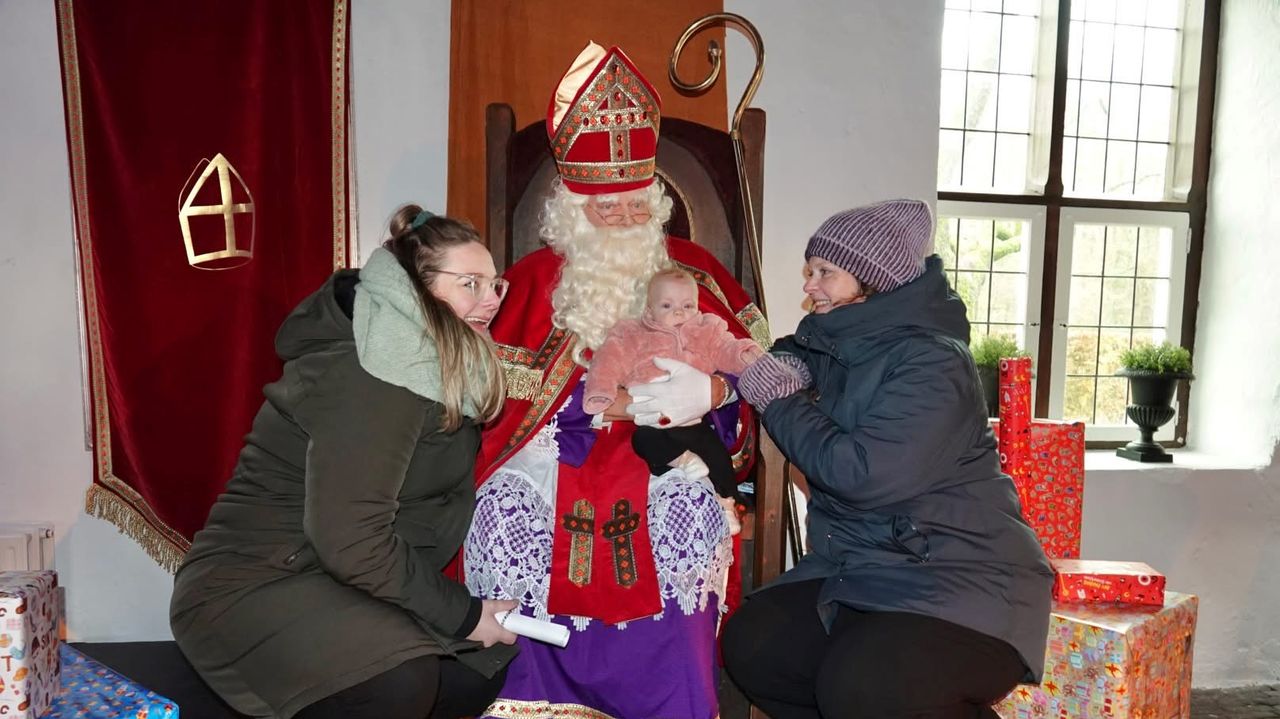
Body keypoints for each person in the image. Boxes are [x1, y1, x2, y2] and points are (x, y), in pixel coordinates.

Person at [462, 43, 768, 719]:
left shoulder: (696, 277)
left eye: (634, 201)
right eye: (605, 206)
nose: (624, 217)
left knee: (682, 530)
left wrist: (712, 397)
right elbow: (492, 413)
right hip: (560, 463)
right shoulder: (533, 283)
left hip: (664, 458)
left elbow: (757, 381)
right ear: (570, 204)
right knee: (516, 521)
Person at [169, 206, 520, 719]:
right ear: (416, 289)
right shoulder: (377, 372)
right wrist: (463, 613)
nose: (490, 300)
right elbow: (350, 534)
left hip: (328, 574)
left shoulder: (434, 363)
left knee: (471, 675)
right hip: (253, 583)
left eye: (495, 285)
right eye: (471, 283)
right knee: (399, 684)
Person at [723, 199, 1054, 719]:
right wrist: (768, 368)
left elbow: (861, 474)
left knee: (864, 688)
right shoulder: (839, 337)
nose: (809, 285)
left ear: (872, 282)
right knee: (756, 645)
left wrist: (780, 400)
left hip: (962, 575)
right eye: (810, 271)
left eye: (825, 273)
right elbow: (790, 350)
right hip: (866, 565)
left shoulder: (934, 362)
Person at [583, 267, 763, 534]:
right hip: (653, 420)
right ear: (649, 310)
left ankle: (727, 501)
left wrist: (746, 356)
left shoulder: (705, 330)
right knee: (644, 441)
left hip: (693, 419)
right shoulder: (634, 333)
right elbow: (609, 361)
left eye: (687, 305)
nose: (679, 313)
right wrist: (601, 391)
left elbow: (727, 348)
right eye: (667, 306)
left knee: (717, 455)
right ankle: (683, 459)